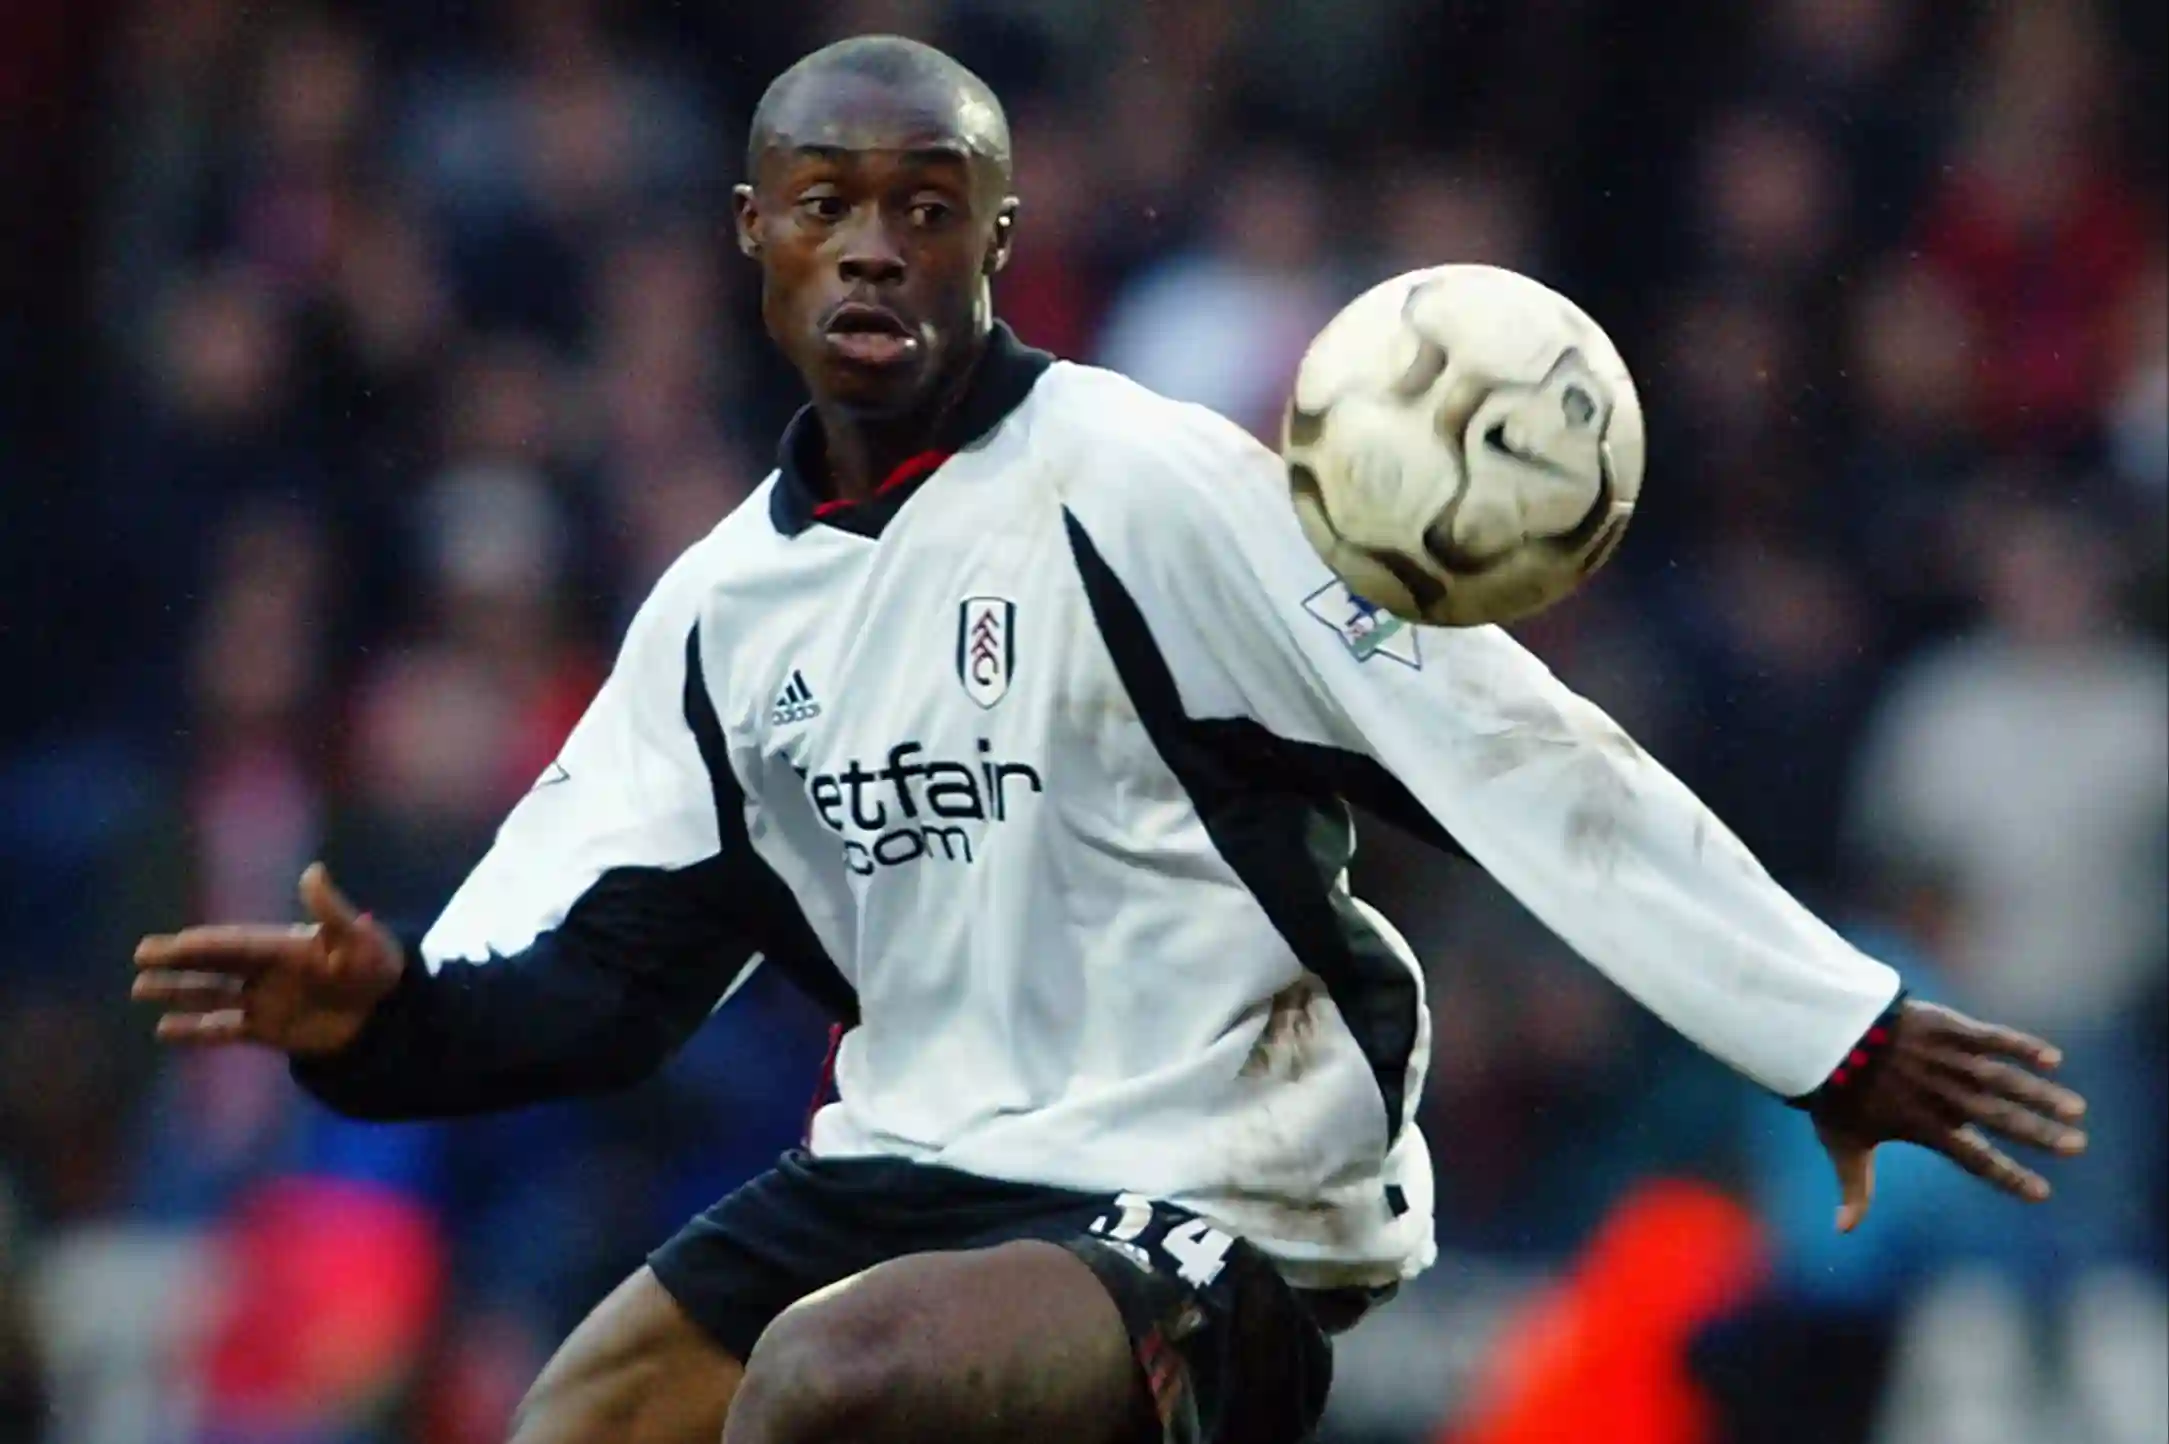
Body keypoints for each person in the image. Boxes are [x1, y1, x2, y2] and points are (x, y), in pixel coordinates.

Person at [131, 35, 2091, 1444]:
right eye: (830, 208)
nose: (877, 248)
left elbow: (1516, 746)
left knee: (830, 1384)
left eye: (926, 207)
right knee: (591, 1413)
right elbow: (605, 978)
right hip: (916, 1155)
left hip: (1215, 1184)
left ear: (999, 232)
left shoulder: (1158, 490)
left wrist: (1819, 1025)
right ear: (754, 237)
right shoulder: (719, 612)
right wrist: (385, 1023)